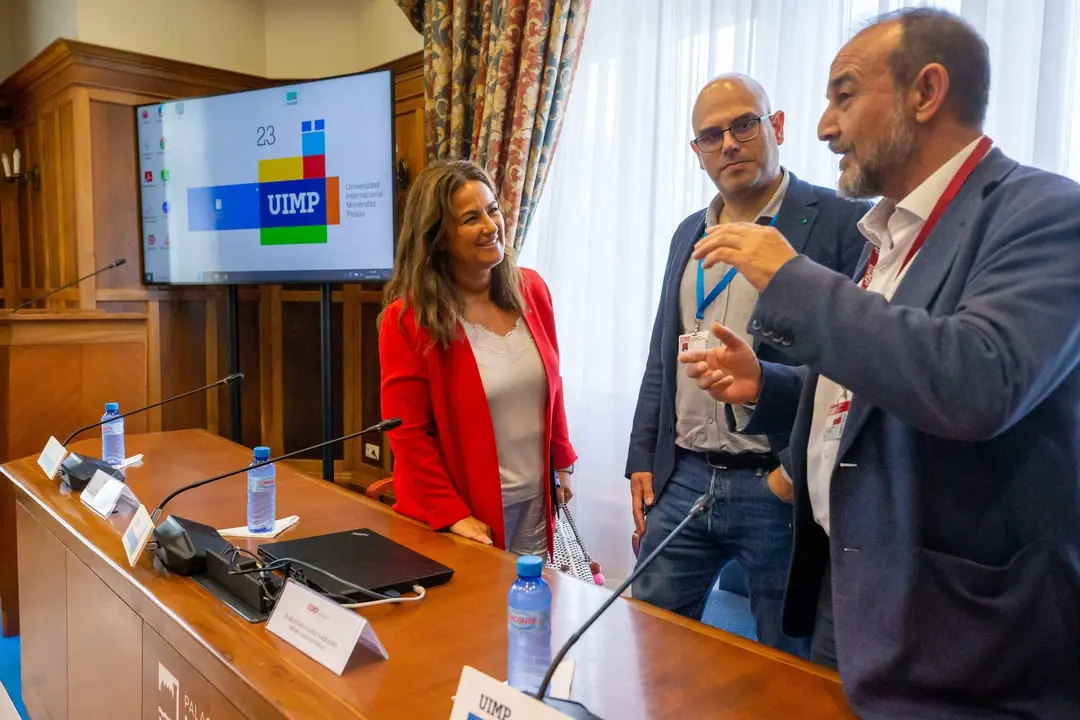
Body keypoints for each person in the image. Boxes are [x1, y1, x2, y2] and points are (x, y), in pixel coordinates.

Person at [683, 8, 1080, 718]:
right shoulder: (886, 236)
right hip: (854, 592)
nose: (823, 127)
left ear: (925, 93)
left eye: (842, 95)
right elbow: (876, 384)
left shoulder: (1046, 212)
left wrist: (793, 280)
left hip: (965, 637)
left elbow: (977, 381)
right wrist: (770, 389)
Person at [624, 73, 869, 655]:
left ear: (776, 126)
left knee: (786, 665)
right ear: (697, 152)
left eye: (744, 125)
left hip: (777, 483)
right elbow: (665, 346)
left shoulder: (839, 222)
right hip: (683, 477)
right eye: (712, 136)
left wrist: (790, 476)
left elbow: (855, 366)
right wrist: (643, 454)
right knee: (647, 643)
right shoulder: (690, 231)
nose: (729, 143)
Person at [379, 159, 577, 555]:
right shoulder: (407, 321)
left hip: (538, 503)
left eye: (492, 209)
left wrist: (563, 462)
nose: (491, 226)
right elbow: (407, 433)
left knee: (530, 613)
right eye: (471, 218)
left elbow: (551, 386)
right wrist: (452, 514)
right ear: (438, 238)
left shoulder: (532, 289)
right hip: (467, 514)